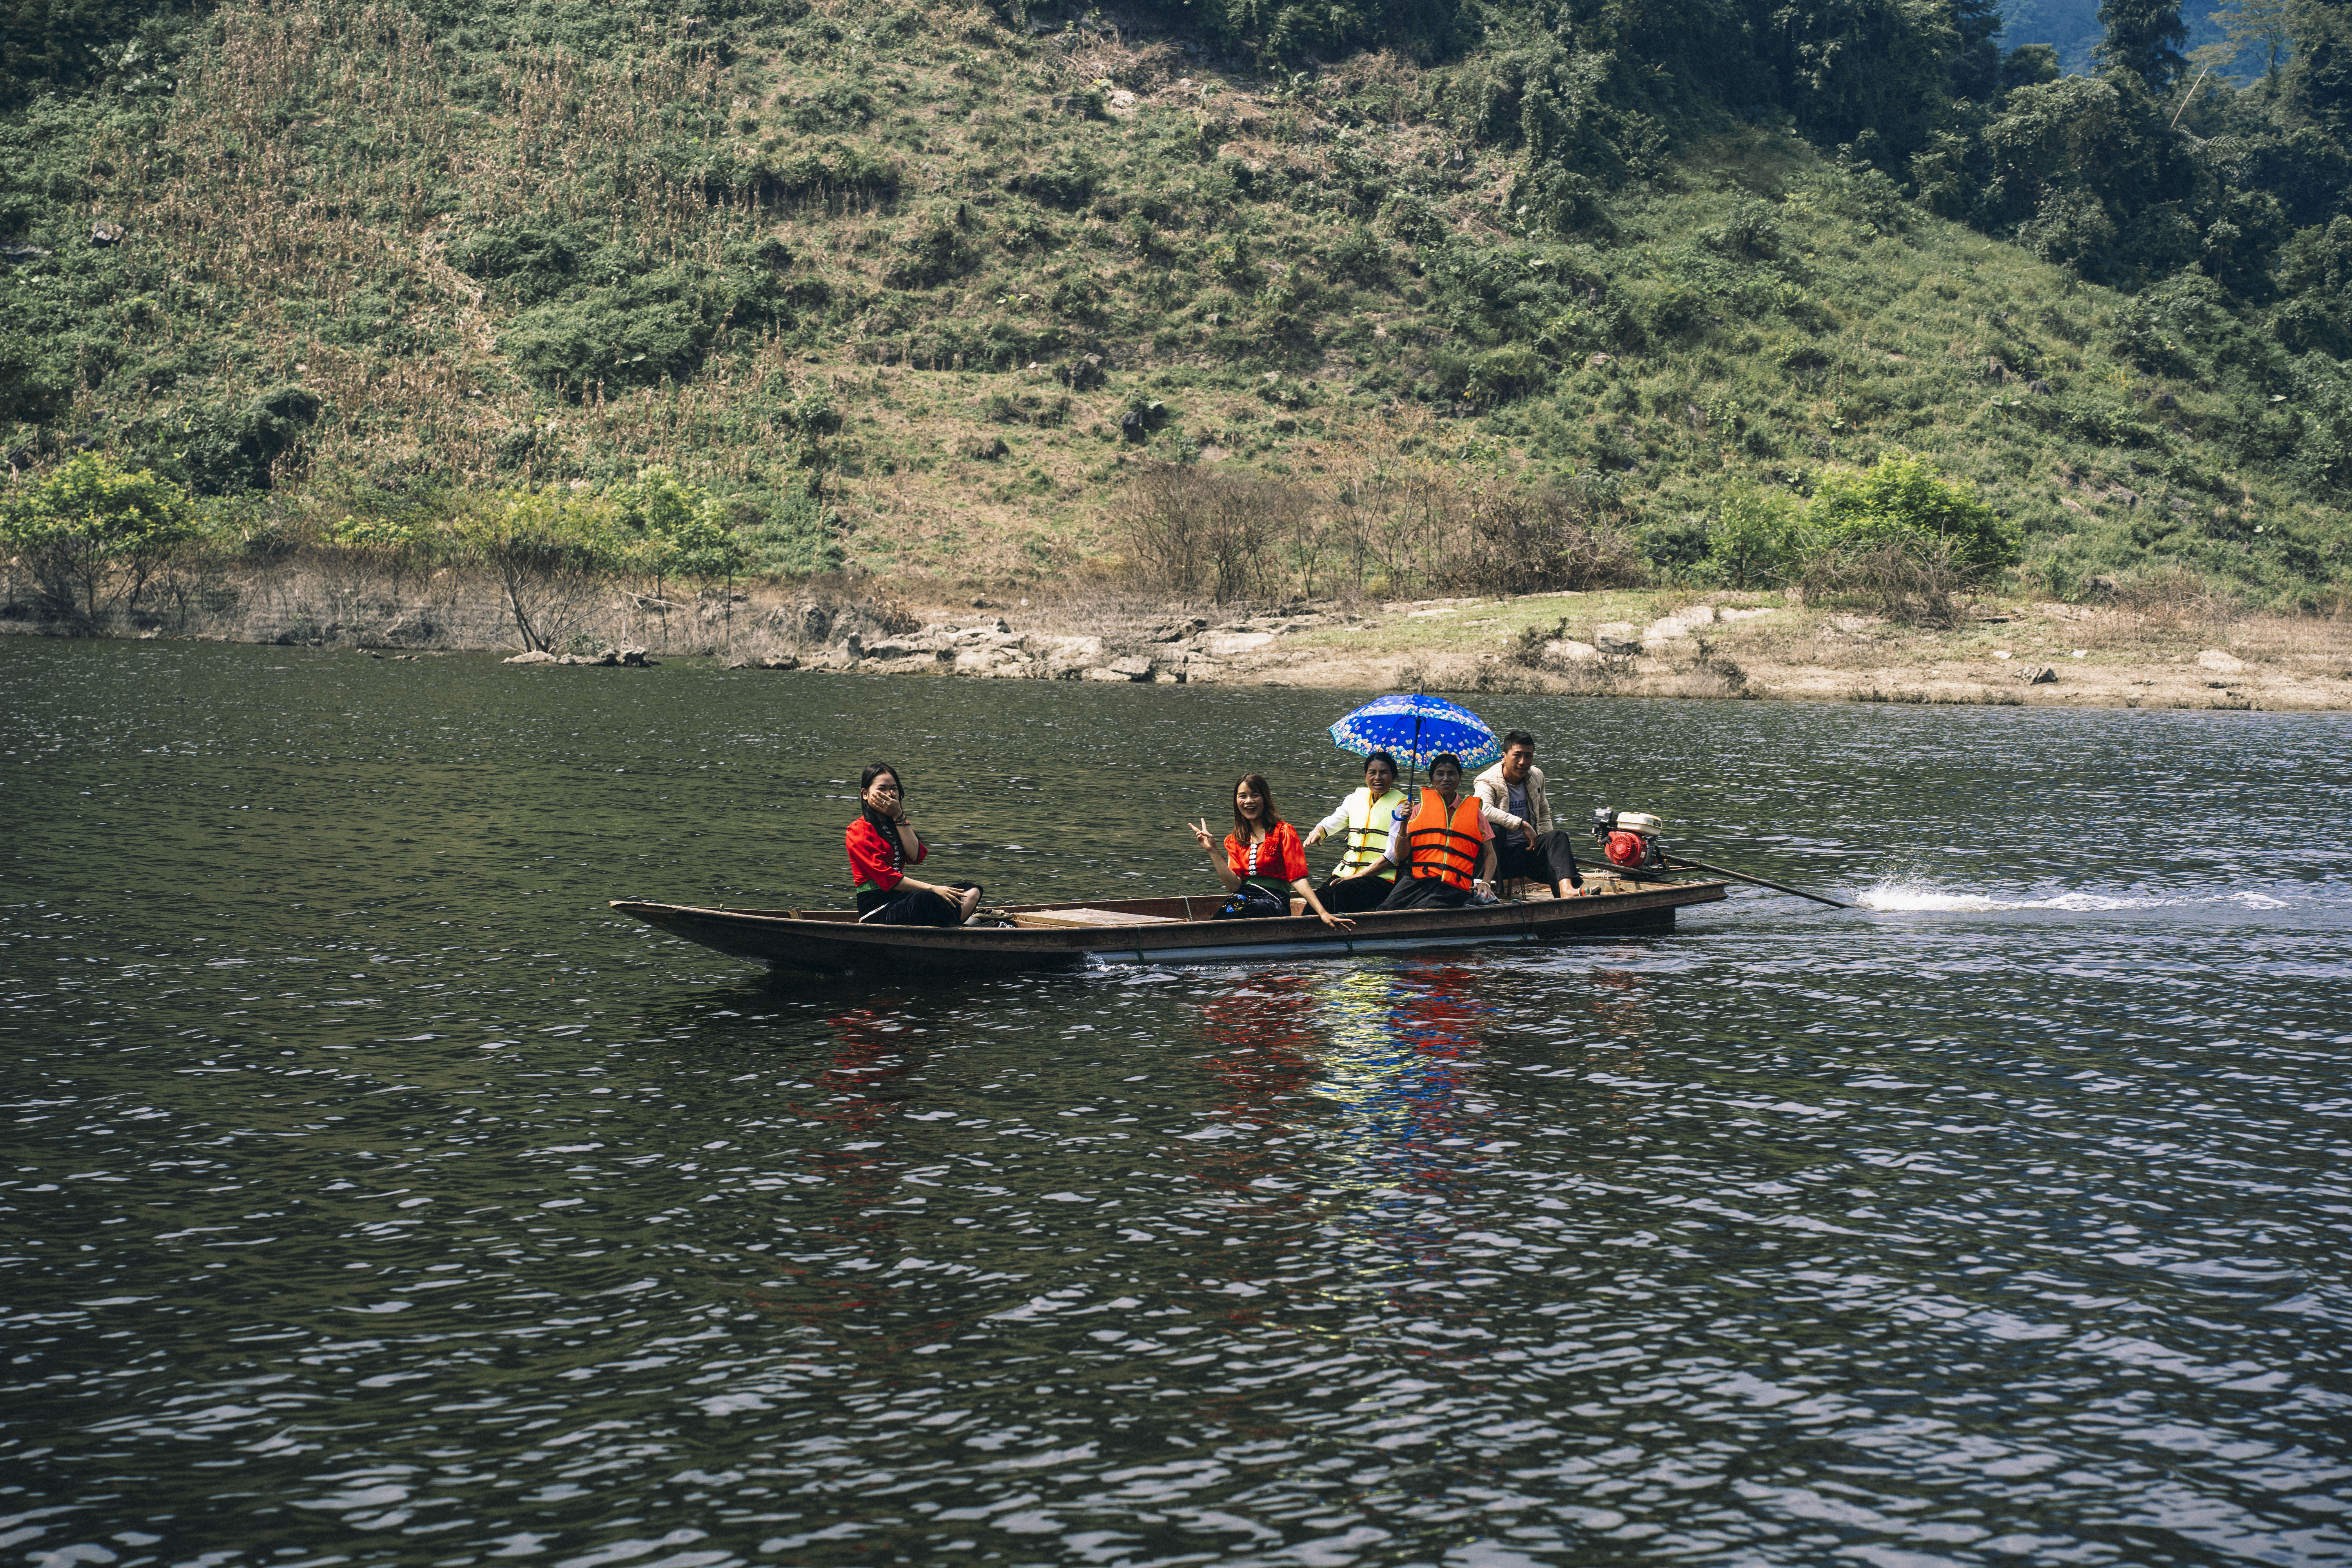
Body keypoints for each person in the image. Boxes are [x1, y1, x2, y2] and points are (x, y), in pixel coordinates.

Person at [1188, 773, 1355, 929]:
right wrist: (1213, 851)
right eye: (1243, 796)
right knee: (1232, 906)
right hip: (1243, 897)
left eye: (1255, 795)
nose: (1248, 801)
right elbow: (1234, 886)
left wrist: (1323, 912)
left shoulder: (1284, 832)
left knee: (1255, 907)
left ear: (1265, 799)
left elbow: (1297, 879)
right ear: (1236, 801)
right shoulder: (1235, 839)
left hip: (1274, 901)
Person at [845, 761, 982, 926]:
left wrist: (898, 816)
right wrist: (932, 888)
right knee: (927, 898)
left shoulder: (898, 823)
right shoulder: (858, 829)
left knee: (970, 891)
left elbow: (916, 856)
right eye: (882, 789)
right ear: (866, 794)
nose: (890, 795)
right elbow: (887, 878)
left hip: (902, 903)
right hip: (877, 912)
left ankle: (951, 925)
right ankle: (959, 926)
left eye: (894, 789)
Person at [1473, 730, 1586, 899]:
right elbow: (1482, 810)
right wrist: (1521, 824)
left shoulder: (1536, 776)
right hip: (1499, 858)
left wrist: (1547, 847)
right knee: (1494, 828)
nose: (1523, 762)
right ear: (1504, 756)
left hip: (1526, 853)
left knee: (1557, 836)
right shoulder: (1487, 780)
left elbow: (1543, 812)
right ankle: (1492, 894)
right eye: (1517, 755)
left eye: (1529, 756)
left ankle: (1566, 890)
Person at [1377, 753, 1496, 909]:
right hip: (1417, 880)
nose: (1445, 778)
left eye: (1451, 774)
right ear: (1432, 780)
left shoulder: (1476, 814)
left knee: (1426, 909)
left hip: (1453, 885)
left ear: (1459, 779)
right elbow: (1400, 855)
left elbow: (1490, 854)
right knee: (1385, 910)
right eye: (1440, 774)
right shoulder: (1417, 811)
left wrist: (1486, 883)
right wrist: (1403, 823)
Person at [1301, 750, 1408, 914]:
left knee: (1343, 891)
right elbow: (1335, 819)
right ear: (1365, 775)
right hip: (1347, 873)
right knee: (1318, 900)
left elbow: (1393, 854)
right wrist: (1318, 831)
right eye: (1372, 773)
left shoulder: (1402, 805)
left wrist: (1361, 875)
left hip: (1380, 879)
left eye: (1384, 773)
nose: (1378, 778)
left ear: (1393, 776)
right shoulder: (1354, 798)